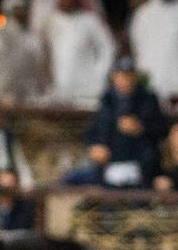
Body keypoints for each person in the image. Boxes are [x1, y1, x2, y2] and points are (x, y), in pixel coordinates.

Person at [64, 57, 169, 187]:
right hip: (107, 166)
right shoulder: (107, 102)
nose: (125, 80)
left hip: (140, 168)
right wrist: (95, 147)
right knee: (69, 180)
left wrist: (141, 128)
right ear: (114, 77)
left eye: (128, 75)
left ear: (135, 76)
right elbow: (91, 133)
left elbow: (162, 130)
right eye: (121, 75)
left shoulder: (148, 100)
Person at [47, 0, 117, 103]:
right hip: (62, 84)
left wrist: (100, 73)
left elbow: (108, 47)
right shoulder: (53, 21)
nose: (64, 2)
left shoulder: (90, 20)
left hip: (88, 83)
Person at [0, 0, 50, 105]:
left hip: (29, 90)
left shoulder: (31, 35)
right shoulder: (2, 33)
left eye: (24, 8)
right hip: (6, 90)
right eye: (19, 9)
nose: (23, 12)